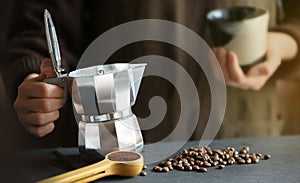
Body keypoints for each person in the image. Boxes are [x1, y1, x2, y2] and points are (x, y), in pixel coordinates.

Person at [1, 0, 299, 148]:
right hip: (112, 150)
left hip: (249, 139)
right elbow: (36, 22)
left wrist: (285, 42)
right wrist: (34, 83)